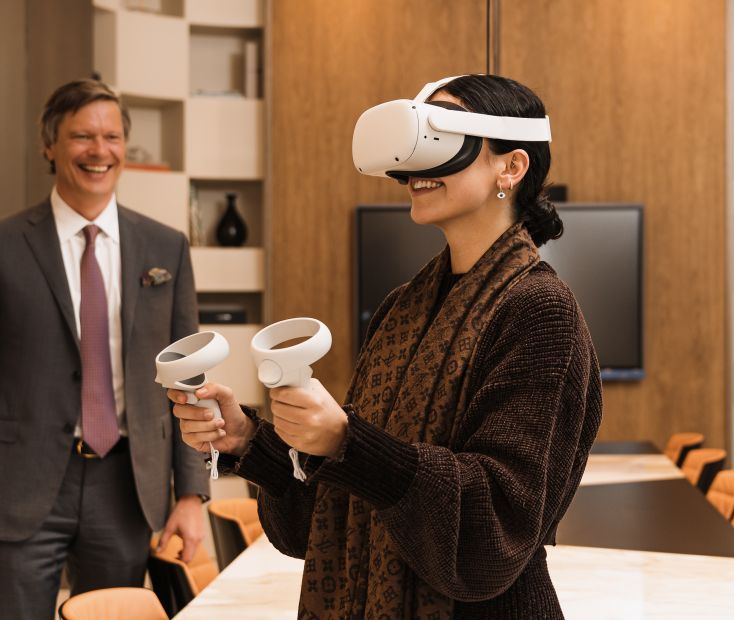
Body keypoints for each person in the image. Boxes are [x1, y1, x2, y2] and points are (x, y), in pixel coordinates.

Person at [170, 74, 603, 618]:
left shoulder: (540, 312)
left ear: (511, 168)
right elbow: (334, 512)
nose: (416, 171)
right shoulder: (404, 308)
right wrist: (249, 442)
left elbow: (492, 531)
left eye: (440, 146)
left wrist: (350, 440)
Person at [0, 79, 209, 619]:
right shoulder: (4, 246)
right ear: (49, 146)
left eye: (112, 136)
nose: (100, 151)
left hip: (126, 486)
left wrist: (191, 495)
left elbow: (188, 379)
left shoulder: (167, 248)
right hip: (18, 488)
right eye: (82, 136)